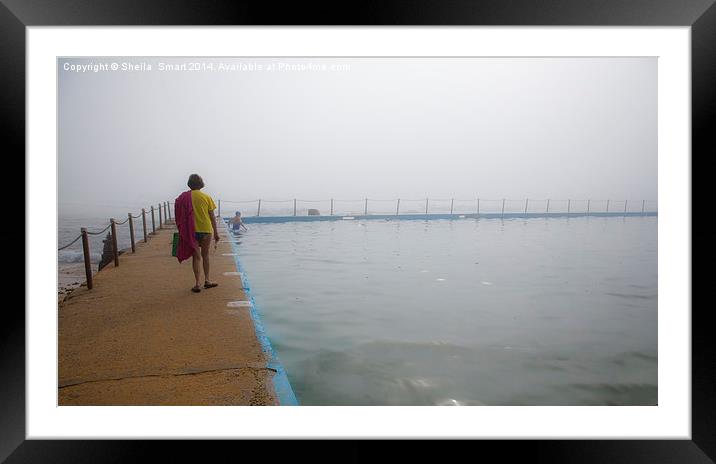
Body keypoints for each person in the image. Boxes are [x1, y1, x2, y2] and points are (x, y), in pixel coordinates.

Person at [174, 173, 220, 293]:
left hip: (191, 230)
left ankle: (197, 283)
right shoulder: (206, 197)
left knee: (196, 257)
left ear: (189, 184)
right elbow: (212, 217)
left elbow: (179, 211)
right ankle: (207, 280)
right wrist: (216, 232)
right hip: (206, 230)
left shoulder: (184, 197)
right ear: (201, 183)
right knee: (205, 256)